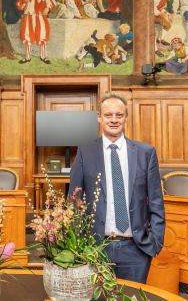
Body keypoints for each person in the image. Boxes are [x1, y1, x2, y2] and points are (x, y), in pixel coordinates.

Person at [68, 93, 165, 284]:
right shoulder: (85, 152)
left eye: (119, 115)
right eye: (108, 115)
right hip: (96, 247)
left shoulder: (146, 153)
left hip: (136, 249)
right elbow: (74, 200)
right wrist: (79, 244)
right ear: (99, 117)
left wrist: (155, 242)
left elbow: (155, 201)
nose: (114, 120)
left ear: (126, 117)